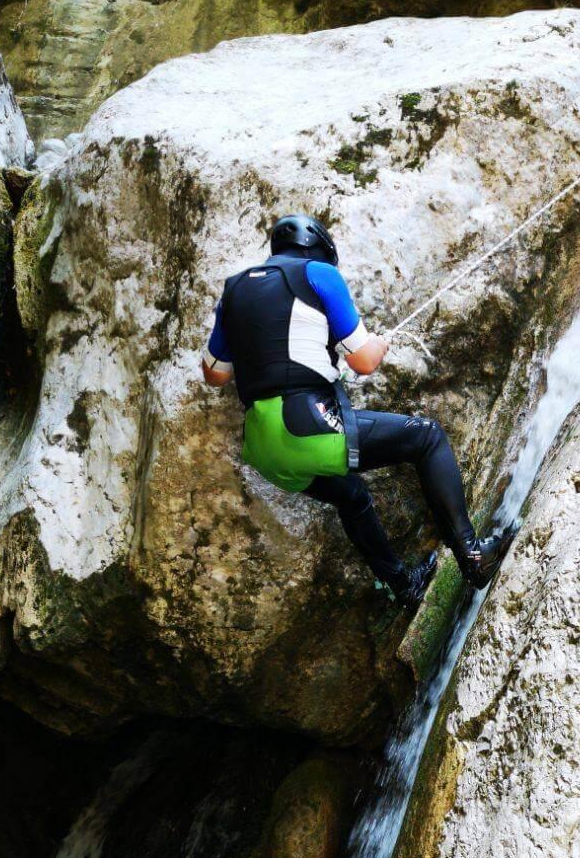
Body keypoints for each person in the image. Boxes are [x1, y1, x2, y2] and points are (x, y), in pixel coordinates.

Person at [202, 214, 514, 607]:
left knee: (351, 496)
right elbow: (364, 362)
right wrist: (379, 345)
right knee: (427, 437)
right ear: (318, 247)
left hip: (263, 448)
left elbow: (215, 374)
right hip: (306, 425)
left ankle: (404, 587)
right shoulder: (318, 274)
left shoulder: (234, 290)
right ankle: (473, 556)